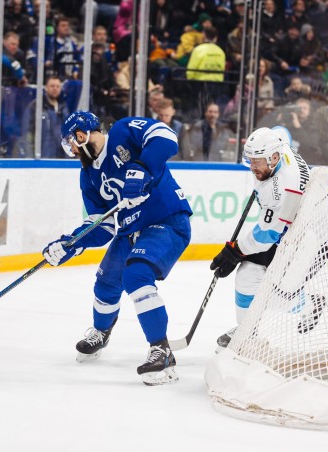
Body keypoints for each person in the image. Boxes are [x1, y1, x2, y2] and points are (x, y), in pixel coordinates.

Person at [43, 111, 192, 385]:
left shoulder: (124, 131)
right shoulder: (88, 175)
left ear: (81, 135)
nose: (73, 150)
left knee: (136, 275)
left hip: (167, 221)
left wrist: (141, 168)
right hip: (129, 231)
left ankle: (162, 350)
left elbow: (167, 137)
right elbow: (102, 226)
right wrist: (72, 243)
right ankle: (101, 332)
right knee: (106, 284)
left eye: (71, 143)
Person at [210, 126, 310, 351]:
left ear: (274, 158)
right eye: (251, 160)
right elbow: (282, 130)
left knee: (276, 288)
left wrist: (234, 251)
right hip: (292, 224)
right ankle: (247, 333)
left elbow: (266, 236)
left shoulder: (279, 190)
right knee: (248, 275)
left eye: (258, 161)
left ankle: (309, 306)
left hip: (309, 236)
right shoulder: (279, 145)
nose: (253, 167)